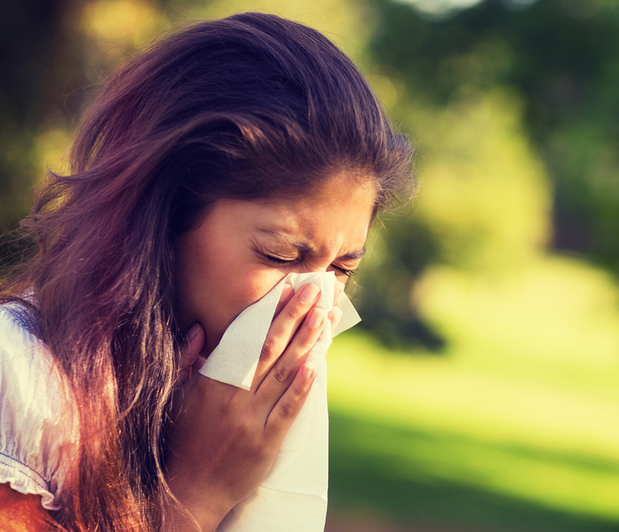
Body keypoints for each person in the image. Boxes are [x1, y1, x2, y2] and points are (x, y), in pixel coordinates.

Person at [0, 12, 415, 531]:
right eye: (279, 256)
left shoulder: (227, 416)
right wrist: (198, 495)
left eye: (341, 267)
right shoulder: (21, 390)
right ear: (166, 217)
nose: (314, 305)